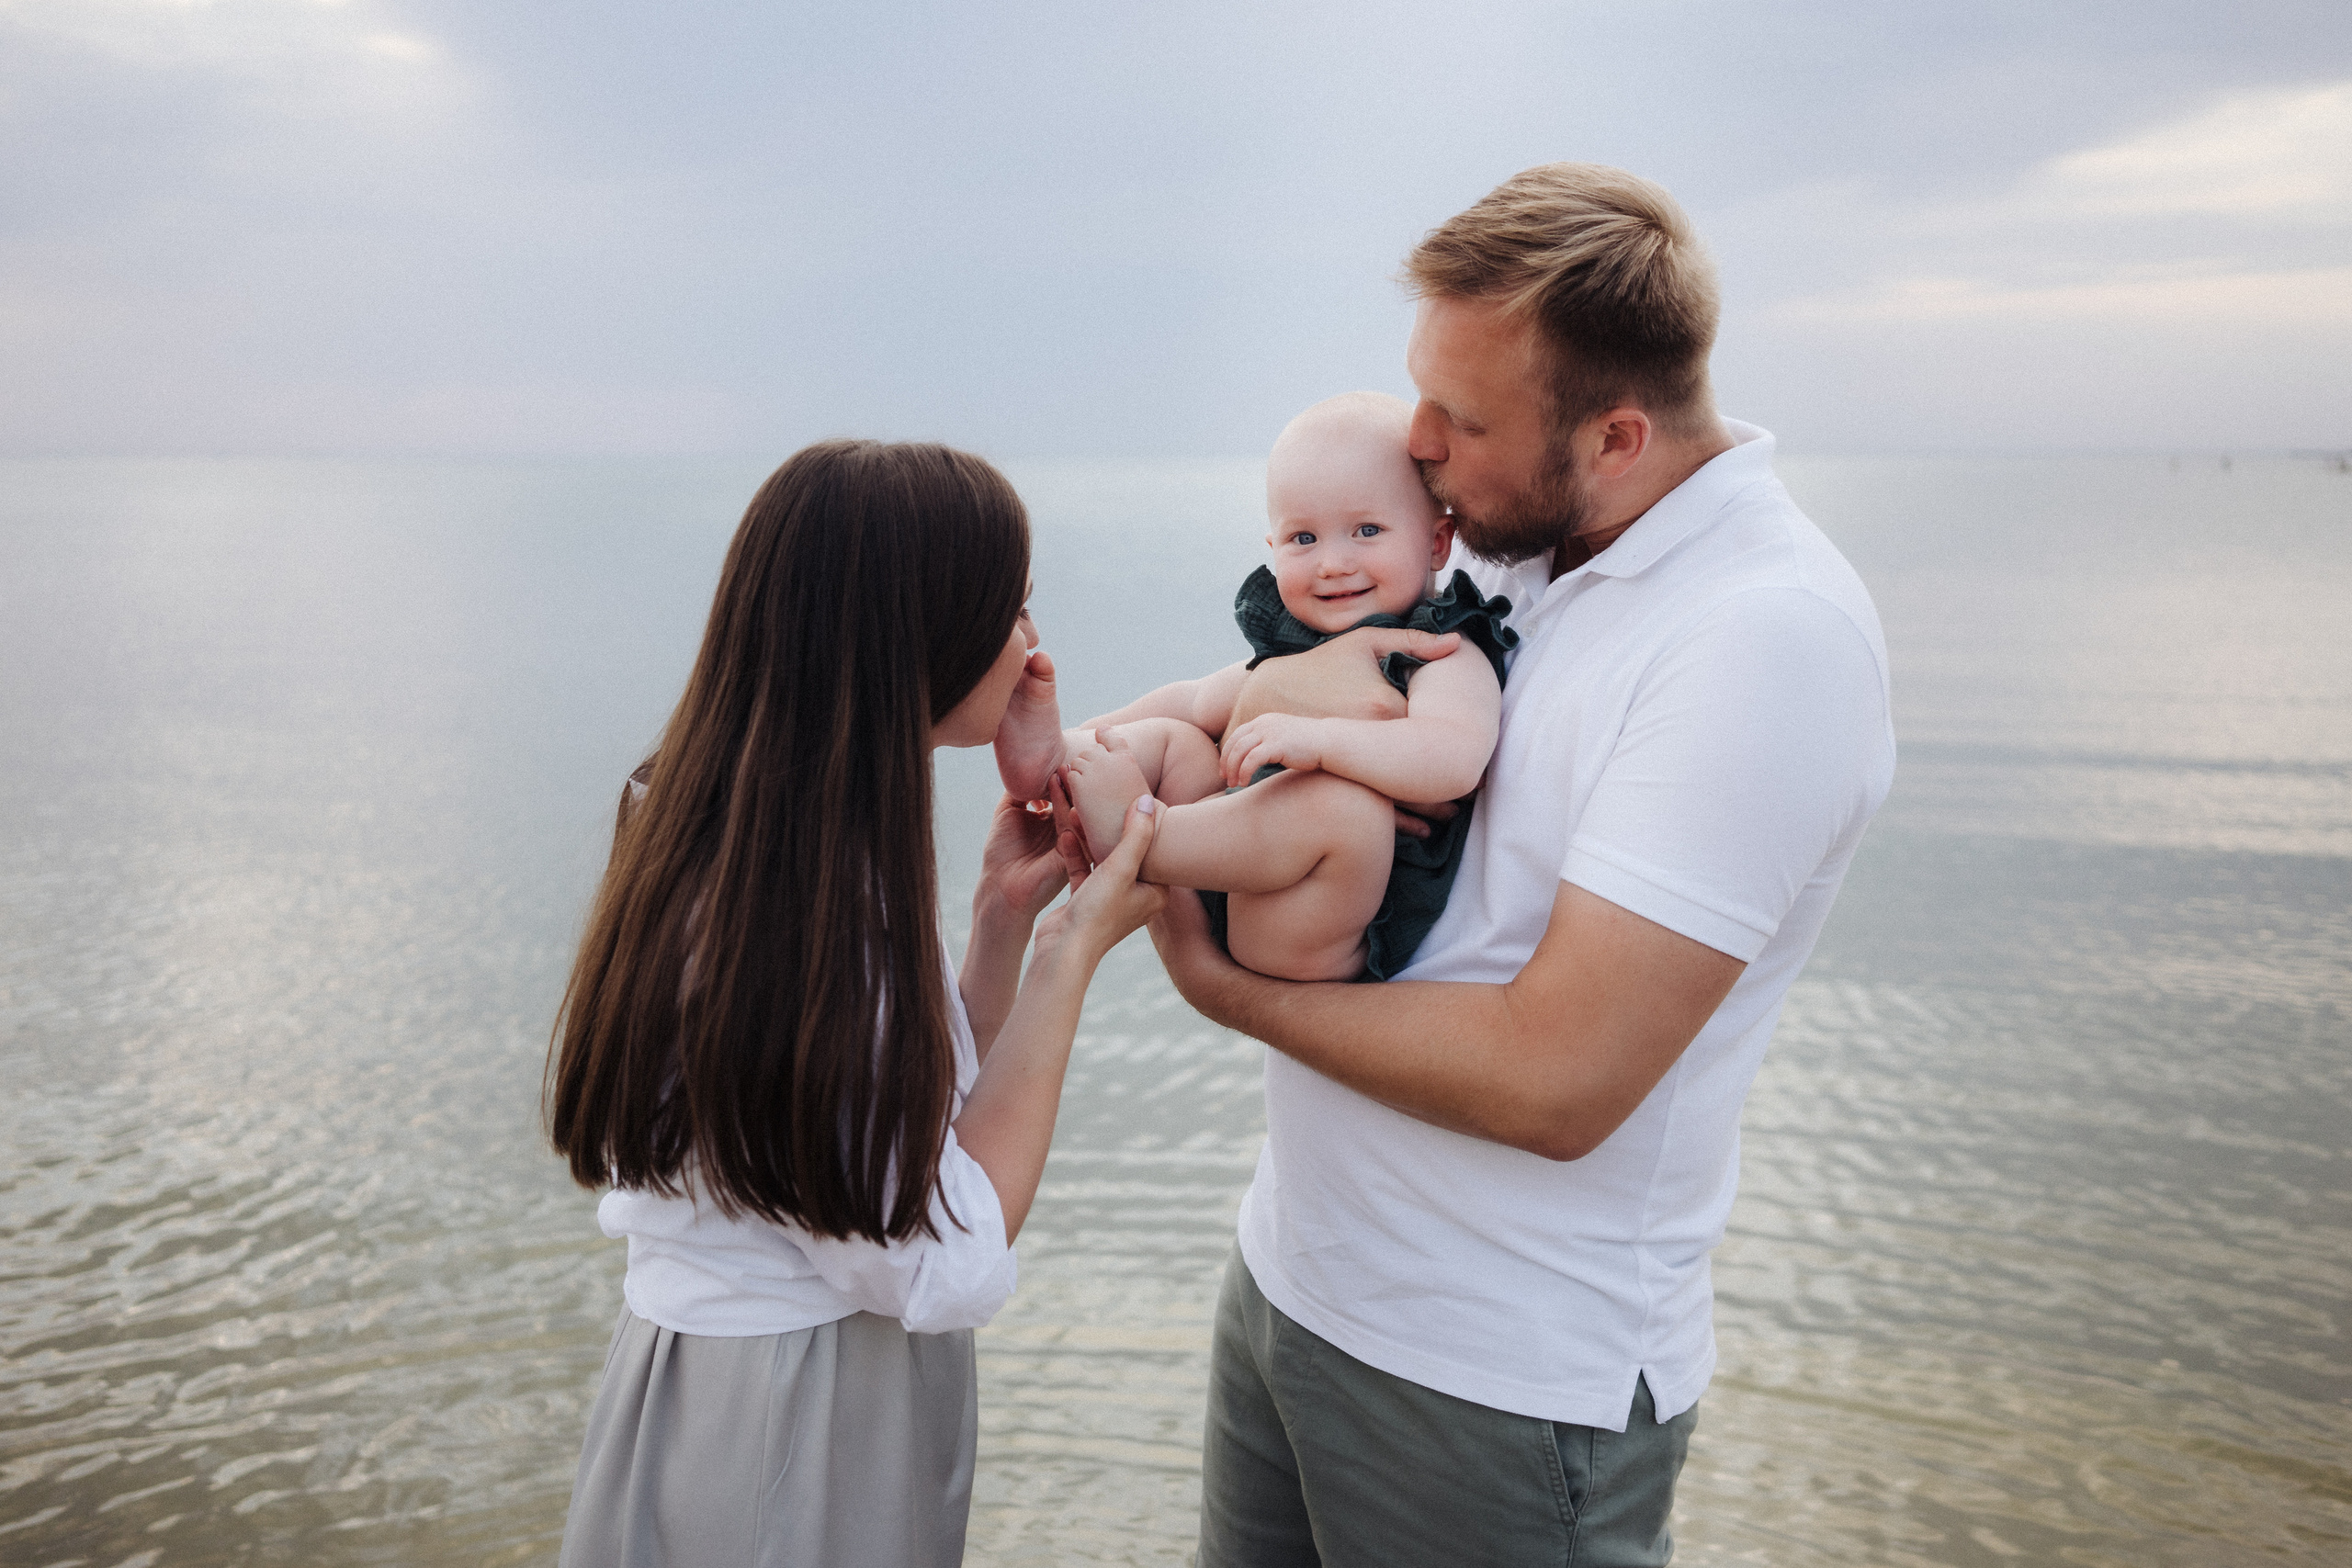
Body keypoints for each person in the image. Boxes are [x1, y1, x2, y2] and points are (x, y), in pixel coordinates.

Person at [1147, 164, 1897, 1566]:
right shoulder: (1513, 545)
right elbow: (1285, 689)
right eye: (1420, 390)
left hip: (1494, 1380)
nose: (1417, 445)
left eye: (1463, 418)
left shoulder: (1763, 639)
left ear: (1616, 436)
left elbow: (1559, 1077)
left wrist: (1222, 984)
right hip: (1296, 1282)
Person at [544, 439, 1164, 1568]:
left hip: (702, 1389)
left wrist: (995, 931)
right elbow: (942, 1253)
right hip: (799, 1415)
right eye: (1012, 607)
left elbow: (885, 1138)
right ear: (919, 634)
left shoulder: (726, 835)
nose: (1033, 646)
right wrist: (1072, 955)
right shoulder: (810, 907)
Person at [1022, 391, 1515, 984]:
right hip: (1232, 882)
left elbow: (1455, 759)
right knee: (1176, 737)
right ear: (1272, 550)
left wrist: (1322, 741)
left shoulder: (1439, 650)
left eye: (1366, 530)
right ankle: (1054, 763)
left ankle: (1141, 840)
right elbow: (1195, 699)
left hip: (1320, 926)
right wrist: (1082, 736)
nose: (1332, 562)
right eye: (1303, 539)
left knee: (1341, 804)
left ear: (1437, 542)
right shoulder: (1298, 650)